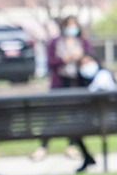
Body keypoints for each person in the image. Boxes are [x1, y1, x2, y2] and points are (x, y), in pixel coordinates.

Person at [30, 15, 93, 161]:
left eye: (74, 25)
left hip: (76, 84)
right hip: (59, 84)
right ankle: (43, 147)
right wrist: (64, 59)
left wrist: (80, 57)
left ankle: (72, 146)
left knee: (74, 117)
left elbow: (90, 58)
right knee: (52, 116)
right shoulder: (55, 43)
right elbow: (50, 62)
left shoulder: (82, 42)